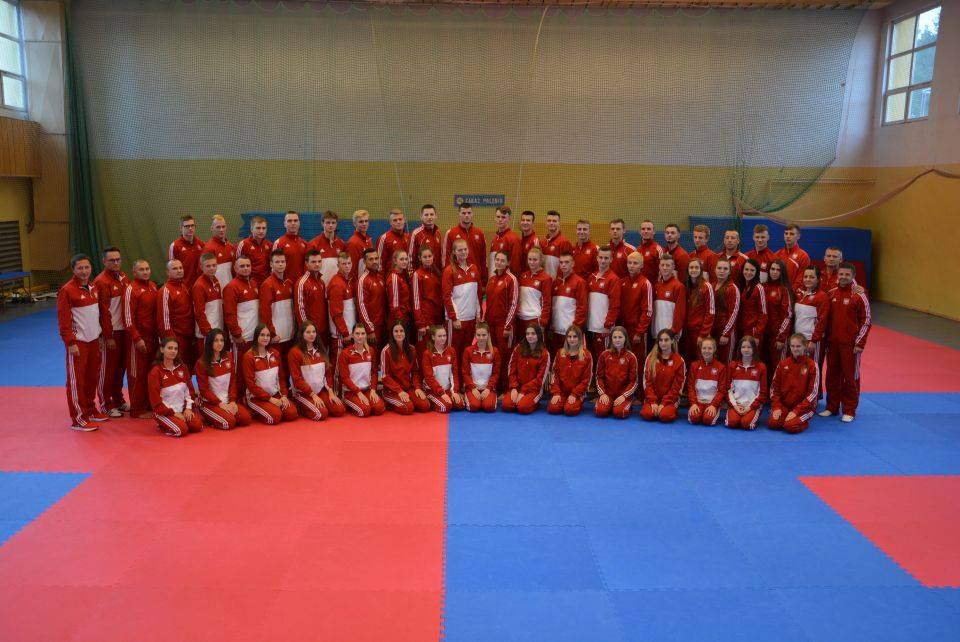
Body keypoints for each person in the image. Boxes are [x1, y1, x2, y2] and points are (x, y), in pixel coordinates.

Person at [58, 254, 106, 430]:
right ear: (73, 270)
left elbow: (96, 316)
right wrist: (71, 342)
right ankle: (78, 418)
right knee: (77, 381)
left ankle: (90, 409)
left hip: (94, 340)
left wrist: (99, 336)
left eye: (87, 267)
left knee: (92, 377)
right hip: (78, 343)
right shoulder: (67, 290)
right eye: (80, 268)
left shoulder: (93, 287)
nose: (84, 271)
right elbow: (64, 321)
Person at [820, 263, 871, 423]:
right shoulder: (831, 294)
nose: (843, 277)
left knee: (850, 378)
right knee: (832, 376)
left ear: (853, 276)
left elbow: (866, 321)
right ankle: (832, 407)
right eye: (841, 274)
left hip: (851, 345)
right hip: (833, 343)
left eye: (847, 275)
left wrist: (860, 343)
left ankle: (849, 409)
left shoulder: (859, 296)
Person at [93, 246, 130, 417]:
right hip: (112, 332)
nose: (116, 263)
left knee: (121, 368)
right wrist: (108, 336)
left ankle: (118, 399)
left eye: (118, 259)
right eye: (112, 260)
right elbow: (103, 312)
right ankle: (106, 403)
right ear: (104, 261)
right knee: (108, 370)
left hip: (124, 331)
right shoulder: (101, 282)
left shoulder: (123, 277)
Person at [288, 321, 346, 421]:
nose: (311, 334)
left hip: (320, 391)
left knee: (339, 410)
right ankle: (300, 405)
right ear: (301, 334)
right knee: (321, 414)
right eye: (308, 332)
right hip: (303, 393)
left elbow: (327, 374)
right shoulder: (294, 352)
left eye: (313, 332)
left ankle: (315, 404)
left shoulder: (320, 350)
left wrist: (331, 392)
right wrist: (312, 395)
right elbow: (297, 379)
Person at [194, 328, 251, 429]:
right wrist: (220, 404)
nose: (219, 343)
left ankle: (222, 415)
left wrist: (232, 401)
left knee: (245, 419)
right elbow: (204, 390)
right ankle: (210, 417)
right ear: (210, 342)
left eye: (221, 340)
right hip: (210, 403)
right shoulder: (201, 363)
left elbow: (233, 381)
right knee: (229, 422)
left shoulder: (228, 356)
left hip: (227, 400)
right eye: (216, 341)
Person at [242, 323, 298, 424]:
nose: (265, 338)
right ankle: (254, 408)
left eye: (268, 335)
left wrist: (284, 396)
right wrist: (270, 399)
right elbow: (251, 385)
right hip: (257, 397)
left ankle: (270, 408)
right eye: (262, 335)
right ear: (256, 337)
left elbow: (281, 378)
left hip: (275, 395)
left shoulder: (275, 353)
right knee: (275, 417)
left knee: (292, 414)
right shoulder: (249, 357)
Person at [124, 259, 159, 419]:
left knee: (151, 372)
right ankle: (137, 409)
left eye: (147, 269)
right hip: (138, 339)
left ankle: (149, 403)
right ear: (134, 272)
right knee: (137, 373)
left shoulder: (153, 286)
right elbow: (128, 319)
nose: (145, 272)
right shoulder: (131, 289)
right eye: (141, 269)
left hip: (153, 337)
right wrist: (137, 339)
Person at [148, 337, 202, 437]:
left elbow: (189, 391)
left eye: (175, 348)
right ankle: (163, 424)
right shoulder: (155, 372)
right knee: (181, 430)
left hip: (181, 409)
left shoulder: (183, 367)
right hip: (164, 412)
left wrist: (188, 409)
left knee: (197, 426)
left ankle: (174, 423)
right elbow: (156, 401)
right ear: (162, 349)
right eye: (170, 348)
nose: (173, 351)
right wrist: (173, 413)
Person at [769, 334, 819, 434]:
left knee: (790, 426)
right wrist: (777, 407)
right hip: (785, 405)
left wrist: (796, 411)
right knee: (773, 423)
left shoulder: (812, 365)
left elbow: (813, 393)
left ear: (805, 346)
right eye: (792, 346)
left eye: (798, 346)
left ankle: (802, 420)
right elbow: (774, 389)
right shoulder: (783, 364)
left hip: (804, 407)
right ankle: (787, 416)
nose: (795, 349)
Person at [483, 251, 519, 384]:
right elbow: (487, 302)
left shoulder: (511, 279)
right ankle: (495, 384)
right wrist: (484, 321)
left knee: (505, 356)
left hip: (503, 326)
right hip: (491, 325)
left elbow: (514, 304)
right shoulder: (492, 278)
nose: (499, 262)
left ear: (508, 262)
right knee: (493, 355)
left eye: (502, 260)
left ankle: (507, 386)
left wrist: (507, 326)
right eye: (497, 259)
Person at [379, 320, 430, 415]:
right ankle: (388, 401)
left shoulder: (412, 349)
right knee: (408, 408)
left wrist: (417, 388)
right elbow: (385, 377)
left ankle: (408, 400)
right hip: (392, 390)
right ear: (392, 333)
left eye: (401, 331)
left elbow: (415, 372)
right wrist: (399, 391)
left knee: (425, 406)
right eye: (396, 331)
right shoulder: (386, 351)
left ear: (405, 332)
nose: (399, 334)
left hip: (408, 388)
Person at [442, 238, 482, 357]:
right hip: (457, 320)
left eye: (465, 249)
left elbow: (478, 294)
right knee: (453, 352)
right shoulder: (449, 270)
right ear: (454, 252)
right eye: (460, 250)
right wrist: (454, 318)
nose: (463, 252)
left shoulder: (474, 269)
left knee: (466, 352)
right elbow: (447, 297)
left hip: (471, 319)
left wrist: (478, 314)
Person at [338, 324, 386, 417]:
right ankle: (348, 401)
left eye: (363, 333)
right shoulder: (345, 353)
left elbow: (374, 372)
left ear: (366, 335)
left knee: (379, 409)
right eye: (357, 333)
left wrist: (373, 390)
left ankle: (362, 403)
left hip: (367, 390)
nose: (360, 336)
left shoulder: (371, 351)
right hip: (351, 392)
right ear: (352, 335)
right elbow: (345, 378)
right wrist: (358, 393)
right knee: (365, 411)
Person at [157, 258, 195, 373]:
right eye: (174, 268)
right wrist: (172, 342)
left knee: (187, 370)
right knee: (176, 370)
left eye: (180, 268)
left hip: (188, 337)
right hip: (176, 338)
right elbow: (164, 321)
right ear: (167, 272)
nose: (179, 270)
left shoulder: (184, 287)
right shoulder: (165, 291)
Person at [640, 329, 685, 423]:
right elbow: (647, 383)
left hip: (670, 400)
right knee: (647, 414)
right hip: (653, 398)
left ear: (672, 341)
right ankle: (656, 408)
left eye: (666, 340)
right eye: (661, 340)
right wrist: (653, 401)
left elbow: (677, 387)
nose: (663, 343)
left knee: (665, 416)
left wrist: (664, 403)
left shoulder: (679, 361)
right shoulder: (651, 358)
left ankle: (670, 409)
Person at [502, 324, 549, 415]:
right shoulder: (518, 348)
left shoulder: (545, 354)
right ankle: (522, 399)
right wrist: (514, 388)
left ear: (539, 335)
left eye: (533, 334)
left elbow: (540, 379)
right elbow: (511, 369)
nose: (530, 336)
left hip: (534, 389)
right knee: (507, 405)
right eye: (527, 334)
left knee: (523, 407)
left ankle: (535, 402)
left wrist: (523, 391)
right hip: (517, 386)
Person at [586, 246, 621, 365]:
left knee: (605, 358)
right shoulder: (591, 277)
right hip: (590, 327)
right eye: (601, 257)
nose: (603, 261)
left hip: (603, 329)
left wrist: (607, 325)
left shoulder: (613, 279)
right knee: (592, 359)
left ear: (611, 259)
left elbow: (615, 306)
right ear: (597, 258)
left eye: (606, 258)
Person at [794, 266, 830, 382]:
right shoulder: (799, 293)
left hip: (812, 341)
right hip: (798, 339)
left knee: (813, 370)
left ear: (818, 279)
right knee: (799, 370)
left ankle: (814, 393)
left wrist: (814, 340)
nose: (808, 279)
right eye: (806, 277)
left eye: (811, 277)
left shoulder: (822, 297)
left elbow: (822, 320)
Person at [548, 325, 593, 416]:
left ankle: (579, 400)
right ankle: (563, 400)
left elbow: (586, 379)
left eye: (575, 337)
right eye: (569, 336)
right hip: (561, 391)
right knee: (553, 409)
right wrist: (556, 393)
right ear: (566, 338)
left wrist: (575, 394)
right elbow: (554, 375)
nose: (572, 339)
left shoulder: (587, 355)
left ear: (579, 338)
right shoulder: (560, 353)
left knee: (570, 410)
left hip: (577, 393)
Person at [725, 335, 767, 430]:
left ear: (754, 349)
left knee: (746, 424)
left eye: (749, 347)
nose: (746, 350)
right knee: (732, 422)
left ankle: (752, 414)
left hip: (752, 405)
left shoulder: (761, 367)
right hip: (737, 404)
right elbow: (728, 389)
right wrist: (735, 406)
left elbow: (763, 393)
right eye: (743, 347)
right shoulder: (733, 365)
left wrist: (750, 407)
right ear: (740, 349)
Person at [259, 249, 295, 358]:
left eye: (282, 261)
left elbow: (292, 310)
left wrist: (293, 329)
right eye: (277, 262)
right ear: (271, 264)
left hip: (290, 335)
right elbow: (265, 313)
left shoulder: (289, 283)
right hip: (276, 338)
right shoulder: (267, 285)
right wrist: (272, 334)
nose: (280, 264)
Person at [761, 259, 794, 378]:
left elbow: (788, 315)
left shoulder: (784, 289)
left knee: (778, 366)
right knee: (764, 365)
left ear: (782, 272)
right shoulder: (763, 286)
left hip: (777, 336)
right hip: (763, 334)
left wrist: (781, 337)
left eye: (778, 270)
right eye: (772, 269)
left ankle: (779, 390)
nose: (774, 272)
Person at [549, 252, 587, 353]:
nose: (563, 265)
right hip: (556, 330)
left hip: (571, 333)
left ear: (573, 263)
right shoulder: (555, 282)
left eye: (566, 262)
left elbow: (582, 308)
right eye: (561, 262)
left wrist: (575, 329)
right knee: (557, 359)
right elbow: (552, 307)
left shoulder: (579, 282)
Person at [421, 324, 464, 413]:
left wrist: (454, 391)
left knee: (460, 405)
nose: (443, 338)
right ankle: (430, 399)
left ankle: (444, 399)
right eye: (439, 336)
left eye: (444, 336)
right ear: (433, 337)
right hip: (432, 390)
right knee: (445, 407)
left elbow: (454, 373)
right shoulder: (427, 354)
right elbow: (429, 378)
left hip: (447, 389)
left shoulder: (451, 351)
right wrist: (441, 393)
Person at [222, 256, 260, 357]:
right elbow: (229, 314)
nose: (245, 268)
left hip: (255, 336)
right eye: (242, 266)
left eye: (248, 265)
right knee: (239, 366)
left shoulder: (254, 284)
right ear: (235, 268)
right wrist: (237, 334)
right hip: (242, 338)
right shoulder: (231, 288)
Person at [681, 257, 715, 367]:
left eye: (696, 267)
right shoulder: (686, 286)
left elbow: (710, 312)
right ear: (688, 270)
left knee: (700, 361)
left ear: (701, 270)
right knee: (688, 360)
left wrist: (703, 334)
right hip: (686, 332)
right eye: (691, 268)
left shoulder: (707, 287)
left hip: (700, 332)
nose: (694, 270)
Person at [686, 337, 727, 426]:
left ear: (714, 349)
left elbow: (721, 390)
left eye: (710, 348)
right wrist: (693, 403)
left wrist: (714, 405)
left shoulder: (721, 367)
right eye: (704, 348)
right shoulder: (694, 366)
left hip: (712, 403)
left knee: (708, 420)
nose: (707, 351)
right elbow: (691, 387)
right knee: (694, 418)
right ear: (701, 349)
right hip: (698, 402)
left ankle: (711, 411)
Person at [443, 202, 487, 283]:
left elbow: (483, 259)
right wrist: (449, 279)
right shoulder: (451, 233)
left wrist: (484, 280)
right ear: (459, 214)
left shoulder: (480, 233)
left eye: (469, 213)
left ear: (472, 214)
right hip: (457, 280)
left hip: (475, 278)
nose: (466, 215)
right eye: (464, 213)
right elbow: (447, 259)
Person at [412, 245, 443, 356]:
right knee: (424, 349)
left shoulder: (436, 273)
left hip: (437, 317)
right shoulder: (417, 275)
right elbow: (416, 300)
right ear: (420, 258)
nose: (428, 259)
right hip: (425, 318)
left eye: (429, 256)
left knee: (436, 347)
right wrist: (421, 323)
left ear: (433, 256)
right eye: (425, 257)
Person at [327, 252, 357, 368]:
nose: (347, 266)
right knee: (338, 367)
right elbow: (336, 313)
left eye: (349, 263)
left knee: (347, 366)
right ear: (338, 265)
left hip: (349, 333)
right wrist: (344, 332)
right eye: (344, 264)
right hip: (341, 335)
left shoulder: (350, 281)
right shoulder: (337, 284)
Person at [462, 323, 500, 411]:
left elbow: (496, 373)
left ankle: (489, 397)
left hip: (488, 388)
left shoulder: (494, 351)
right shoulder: (468, 351)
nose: (481, 338)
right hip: (473, 388)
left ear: (488, 335)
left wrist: (488, 389)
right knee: (474, 406)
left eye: (484, 335)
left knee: (489, 407)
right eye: (478, 335)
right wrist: (472, 388)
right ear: (475, 335)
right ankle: (467, 395)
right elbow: (465, 373)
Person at [192, 252, 223, 355]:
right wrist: (208, 333)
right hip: (207, 334)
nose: (212, 268)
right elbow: (199, 313)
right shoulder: (199, 286)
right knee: (207, 362)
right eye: (208, 266)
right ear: (201, 267)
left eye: (214, 265)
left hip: (217, 330)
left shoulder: (216, 281)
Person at [516, 247, 552, 336]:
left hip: (534, 319)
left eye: (535, 260)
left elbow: (547, 303)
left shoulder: (546, 278)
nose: (532, 262)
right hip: (520, 319)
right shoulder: (523, 276)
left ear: (541, 260)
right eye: (530, 259)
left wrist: (543, 322)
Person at [294, 249, 329, 337]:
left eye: (319, 261)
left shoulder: (321, 282)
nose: (317, 264)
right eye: (313, 262)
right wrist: (308, 331)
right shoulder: (302, 283)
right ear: (306, 263)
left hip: (323, 330)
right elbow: (300, 310)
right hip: (310, 332)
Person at [738, 258, 767, 359]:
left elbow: (763, 314)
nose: (748, 272)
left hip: (753, 331)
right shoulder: (744, 287)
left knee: (752, 359)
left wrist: (757, 334)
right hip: (743, 329)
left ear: (757, 272)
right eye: (746, 269)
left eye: (752, 270)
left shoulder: (759, 288)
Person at [712, 258, 740, 363]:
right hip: (713, 330)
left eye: (725, 269)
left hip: (725, 331)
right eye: (719, 268)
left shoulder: (732, 288)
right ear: (715, 270)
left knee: (726, 362)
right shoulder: (711, 286)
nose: (722, 271)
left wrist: (726, 333)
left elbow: (733, 313)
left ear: (729, 271)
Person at [356, 248, 386, 345]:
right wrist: (369, 329)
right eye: (371, 259)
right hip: (372, 328)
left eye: (376, 258)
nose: (374, 261)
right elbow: (361, 306)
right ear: (365, 262)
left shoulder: (380, 277)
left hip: (383, 325)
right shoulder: (363, 280)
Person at [652, 255, 686, 339]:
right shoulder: (656, 286)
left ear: (673, 267)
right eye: (662, 265)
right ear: (659, 266)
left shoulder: (679, 287)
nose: (665, 268)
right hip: (656, 333)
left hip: (671, 335)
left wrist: (674, 331)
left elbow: (680, 312)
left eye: (668, 265)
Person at [309, 210, 346, 285]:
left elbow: (344, 265)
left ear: (336, 224)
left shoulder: (341, 244)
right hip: (320, 286)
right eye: (328, 222)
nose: (331, 225)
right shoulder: (314, 244)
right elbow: (309, 268)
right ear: (322, 223)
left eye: (333, 223)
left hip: (337, 286)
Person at [273, 210, 309, 285]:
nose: (293, 223)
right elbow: (273, 268)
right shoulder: (279, 243)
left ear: (299, 223)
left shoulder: (305, 244)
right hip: (284, 285)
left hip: (300, 285)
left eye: (295, 221)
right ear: (284, 224)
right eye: (289, 221)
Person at [168, 214, 204, 288]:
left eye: (192, 225)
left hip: (199, 286)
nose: (190, 228)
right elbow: (172, 269)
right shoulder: (175, 246)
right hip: (183, 287)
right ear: (181, 228)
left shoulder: (200, 243)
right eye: (187, 226)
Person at [202, 214, 235, 290]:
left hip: (230, 289)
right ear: (212, 228)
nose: (221, 230)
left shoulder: (230, 246)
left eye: (223, 227)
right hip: (217, 290)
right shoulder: (208, 248)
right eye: (218, 227)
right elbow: (204, 273)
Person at [236, 215, 272, 285]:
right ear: (251, 229)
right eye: (258, 228)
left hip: (265, 284)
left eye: (264, 228)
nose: (261, 231)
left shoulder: (269, 245)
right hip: (249, 285)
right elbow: (236, 267)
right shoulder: (243, 245)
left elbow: (271, 266)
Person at [489, 206, 522, 277]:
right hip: (494, 280)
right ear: (495, 218)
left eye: (503, 217)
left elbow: (515, 267)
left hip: (506, 282)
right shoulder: (494, 239)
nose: (500, 220)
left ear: (509, 218)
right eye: (498, 217)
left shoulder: (514, 239)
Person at [408, 204, 443, 272]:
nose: (429, 217)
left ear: (436, 216)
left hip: (436, 275)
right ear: (421, 217)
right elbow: (410, 258)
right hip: (421, 275)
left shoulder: (438, 233)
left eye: (432, 214)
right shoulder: (415, 234)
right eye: (426, 215)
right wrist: (411, 275)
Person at [776, 223, 810, 288]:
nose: (788, 236)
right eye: (786, 233)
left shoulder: (803, 256)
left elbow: (802, 280)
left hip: (793, 292)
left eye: (791, 234)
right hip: (777, 291)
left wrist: (789, 292)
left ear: (798, 236)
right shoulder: (777, 254)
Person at [386, 250, 413, 331]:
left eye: (406, 259)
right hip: (399, 320)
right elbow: (394, 305)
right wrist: (400, 322)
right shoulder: (394, 277)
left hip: (406, 316)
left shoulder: (402, 275)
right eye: (401, 259)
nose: (404, 261)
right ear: (395, 261)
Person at [541, 210, 572, 278]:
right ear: (546, 223)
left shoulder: (564, 242)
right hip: (545, 282)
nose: (551, 223)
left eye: (554, 221)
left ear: (559, 223)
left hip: (558, 282)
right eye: (549, 221)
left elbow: (568, 267)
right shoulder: (542, 242)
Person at [377, 208, 409, 272]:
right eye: (395, 220)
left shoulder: (408, 237)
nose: (398, 222)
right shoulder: (384, 238)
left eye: (400, 219)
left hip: (406, 276)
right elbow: (379, 263)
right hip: (390, 276)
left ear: (404, 220)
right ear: (390, 222)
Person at [346, 209, 373, 278]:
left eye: (366, 221)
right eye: (361, 221)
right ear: (354, 224)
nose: (364, 224)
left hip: (368, 279)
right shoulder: (353, 242)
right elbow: (351, 268)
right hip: (359, 281)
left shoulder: (368, 240)